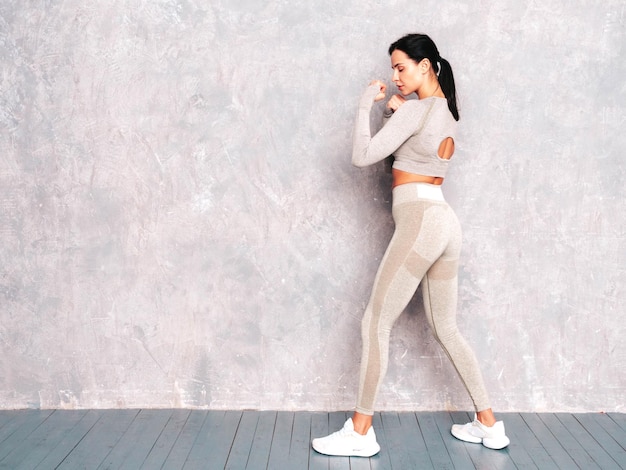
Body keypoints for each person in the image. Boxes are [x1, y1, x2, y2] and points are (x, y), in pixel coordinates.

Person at [311, 33, 510, 457]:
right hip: (444, 222)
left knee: (374, 323)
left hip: (421, 221)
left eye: (401, 67)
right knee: (446, 328)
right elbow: (409, 155)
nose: (394, 76)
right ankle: (489, 425)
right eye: (392, 69)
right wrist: (395, 114)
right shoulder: (445, 113)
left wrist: (367, 103)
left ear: (426, 66)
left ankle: (361, 431)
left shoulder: (417, 110)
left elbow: (363, 156)